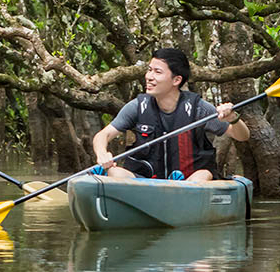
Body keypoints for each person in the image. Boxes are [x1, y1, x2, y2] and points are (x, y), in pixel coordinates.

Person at [91, 46, 249, 182]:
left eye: (157, 72)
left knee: (203, 175)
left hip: (190, 181)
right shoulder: (137, 107)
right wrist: (102, 154)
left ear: (176, 80)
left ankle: (181, 191)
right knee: (114, 172)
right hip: (146, 181)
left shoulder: (199, 108)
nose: (149, 77)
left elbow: (243, 136)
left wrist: (233, 119)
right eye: (149, 70)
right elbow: (102, 135)